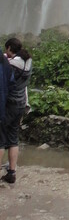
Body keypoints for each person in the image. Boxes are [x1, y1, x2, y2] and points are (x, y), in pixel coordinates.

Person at [1, 37, 32, 185]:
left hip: (9, 104)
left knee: (0, 139)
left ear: (8, 48)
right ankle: (11, 172)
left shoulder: (11, 65)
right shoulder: (27, 62)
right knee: (13, 138)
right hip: (22, 103)